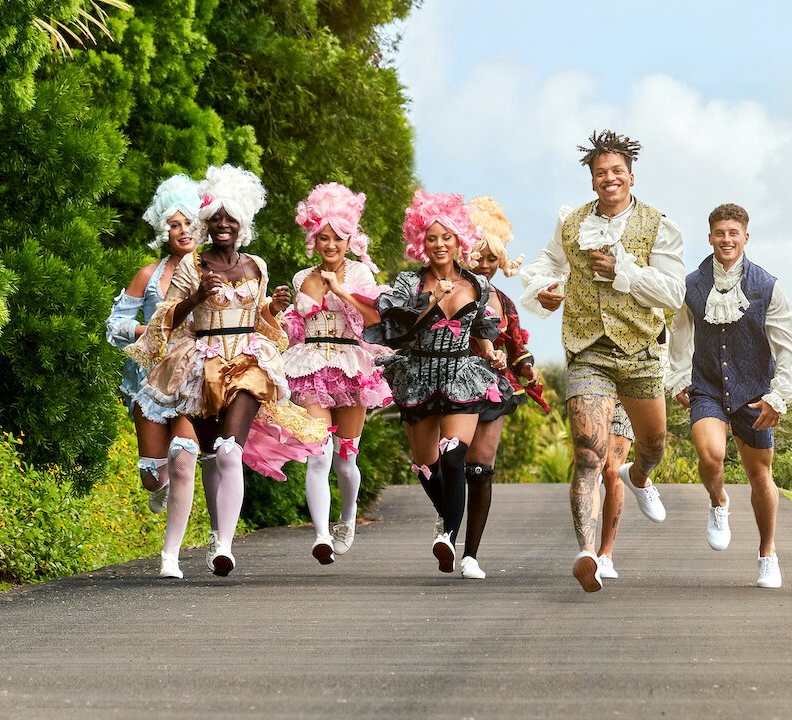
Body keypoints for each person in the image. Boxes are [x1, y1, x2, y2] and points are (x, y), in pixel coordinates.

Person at [128, 164, 330, 577]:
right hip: (202, 366)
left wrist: (274, 308)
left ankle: (223, 545)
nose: (223, 224)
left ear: (242, 224)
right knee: (193, 455)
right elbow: (167, 318)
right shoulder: (192, 266)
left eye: (231, 218)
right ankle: (174, 552)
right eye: (216, 217)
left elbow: (261, 322)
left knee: (228, 450)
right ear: (206, 222)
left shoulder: (256, 266)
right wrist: (196, 298)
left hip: (249, 362)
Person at [519, 129, 685, 592]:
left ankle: (641, 477)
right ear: (592, 179)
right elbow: (545, 266)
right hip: (587, 350)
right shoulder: (571, 223)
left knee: (653, 446)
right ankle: (588, 553)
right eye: (600, 173)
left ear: (631, 176)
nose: (609, 178)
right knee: (589, 455)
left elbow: (673, 293)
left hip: (640, 352)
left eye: (616, 171)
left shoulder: (660, 225)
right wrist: (544, 291)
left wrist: (622, 271)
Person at [365, 190, 509, 574]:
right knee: (427, 465)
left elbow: (482, 328)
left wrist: (491, 351)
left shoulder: (477, 284)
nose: (440, 244)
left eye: (447, 236)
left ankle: (448, 537)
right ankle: (446, 518)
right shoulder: (408, 283)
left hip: (461, 375)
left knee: (454, 454)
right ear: (421, 242)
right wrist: (431, 302)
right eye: (431, 237)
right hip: (418, 375)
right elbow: (396, 330)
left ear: (459, 239)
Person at [666, 203, 792, 588]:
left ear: (745, 237)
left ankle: (767, 554)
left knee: (760, 476)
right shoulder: (692, 284)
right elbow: (679, 335)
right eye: (719, 233)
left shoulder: (767, 286)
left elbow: (788, 345)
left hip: (755, 391)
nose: (726, 239)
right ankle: (718, 501)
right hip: (707, 387)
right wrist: (678, 377)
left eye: (733, 233)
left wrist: (779, 396)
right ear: (710, 237)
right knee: (710, 454)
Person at [283, 182, 392, 564]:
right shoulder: (301, 278)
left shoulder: (360, 273)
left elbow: (375, 319)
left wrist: (340, 290)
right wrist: (277, 314)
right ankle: (321, 535)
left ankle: (347, 516)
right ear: (313, 239)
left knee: (345, 459)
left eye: (338, 238)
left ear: (350, 240)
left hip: (349, 366)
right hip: (310, 366)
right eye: (324, 237)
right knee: (318, 452)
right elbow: (294, 330)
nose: (331, 245)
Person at [105, 174, 204, 579]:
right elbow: (114, 327)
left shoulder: (213, 271)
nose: (183, 231)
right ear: (164, 230)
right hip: (148, 384)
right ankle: (157, 488)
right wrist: (150, 329)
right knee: (153, 475)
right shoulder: (148, 274)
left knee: (183, 459)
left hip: (192, 380)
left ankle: (170, 556)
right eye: (174, 224)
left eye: (189, 222)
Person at [460, 195, 548, 580]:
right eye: (478, 257)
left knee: (480, 469)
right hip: (450, 384)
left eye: (492, 259)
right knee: (448, 462)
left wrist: (528, 371)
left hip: (494, 387)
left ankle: (470, 554)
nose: (484, 265)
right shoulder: (449, 291)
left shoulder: (504, 301)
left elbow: (516, 346)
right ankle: (446, 521)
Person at [594, 403, 632, 580]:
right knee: (591, 465)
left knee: (612, 471)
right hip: (590, 392)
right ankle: (587, 551)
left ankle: (605, 554)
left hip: (625, 394)